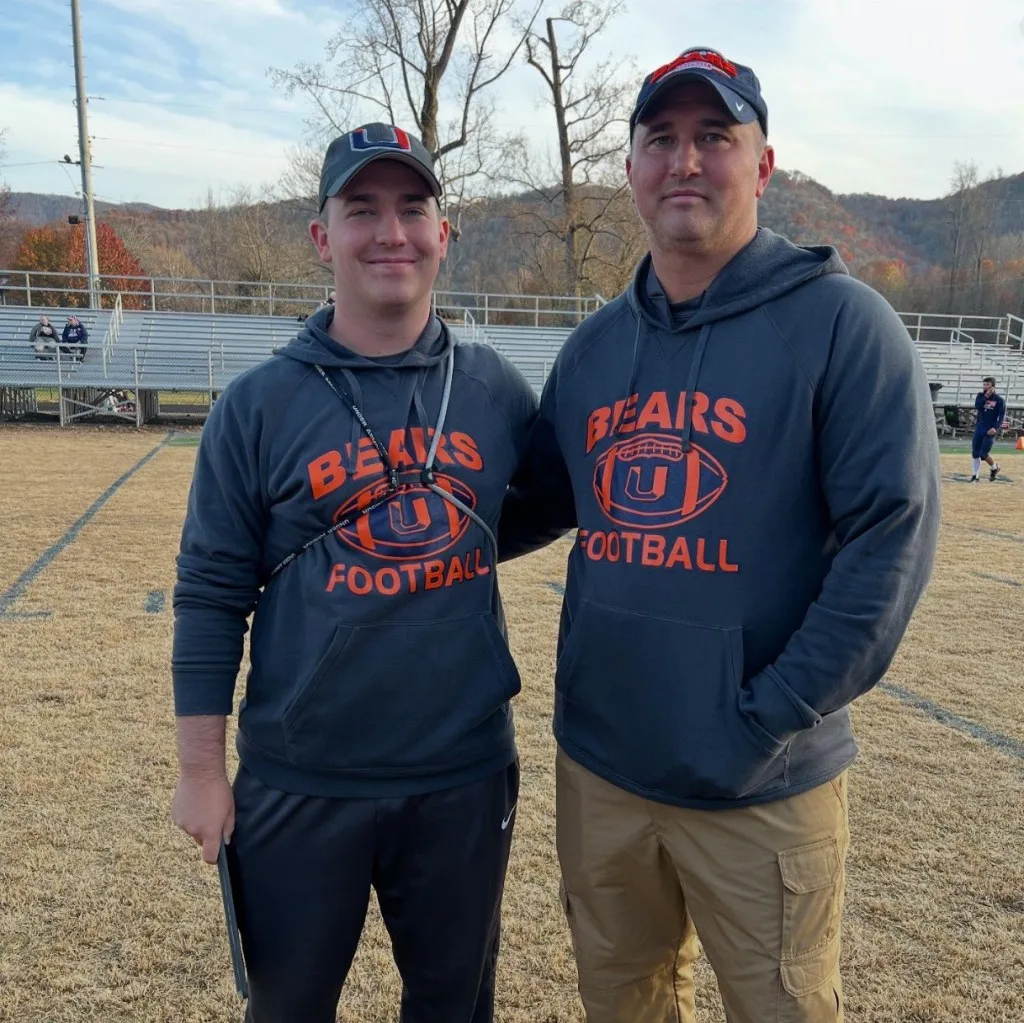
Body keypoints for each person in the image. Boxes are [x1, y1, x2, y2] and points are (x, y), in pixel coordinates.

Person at [499, 47, 941, 1022]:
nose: (685, 162)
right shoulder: (595, 348)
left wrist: (767, 715)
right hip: (603, 772)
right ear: (630, 170)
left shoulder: (843, 327)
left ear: (763, 164)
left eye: (714, 138)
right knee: (622, 1005)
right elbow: (525, 502)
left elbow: (890, 542)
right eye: (661, 140)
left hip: (761, 785)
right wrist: (372, 509)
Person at [170, 122, 536, 1023]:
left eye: (414, 209)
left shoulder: (495, 389)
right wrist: (201, 769)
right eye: (362, 209)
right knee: (288, 1007)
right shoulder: (258, 405)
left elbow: (534, 511)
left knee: (454, 1007)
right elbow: (212, 593)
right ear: (321, 234)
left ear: (443, 234)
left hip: (461, 770)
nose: (391, 232)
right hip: (303, 775)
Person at [970, 376, 1005, 481]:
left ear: (993, 386)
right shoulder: (980, 396)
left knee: (983, 454)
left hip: (990, 429)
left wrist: (995, 427)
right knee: (975, 452)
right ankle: (975, 476)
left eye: (988, 385)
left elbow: (1002, 416)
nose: (985, 387)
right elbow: (977, 406)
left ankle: (994, 467)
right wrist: (986, 396)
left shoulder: (999, 400)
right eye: (984, 384)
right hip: (980, 426)